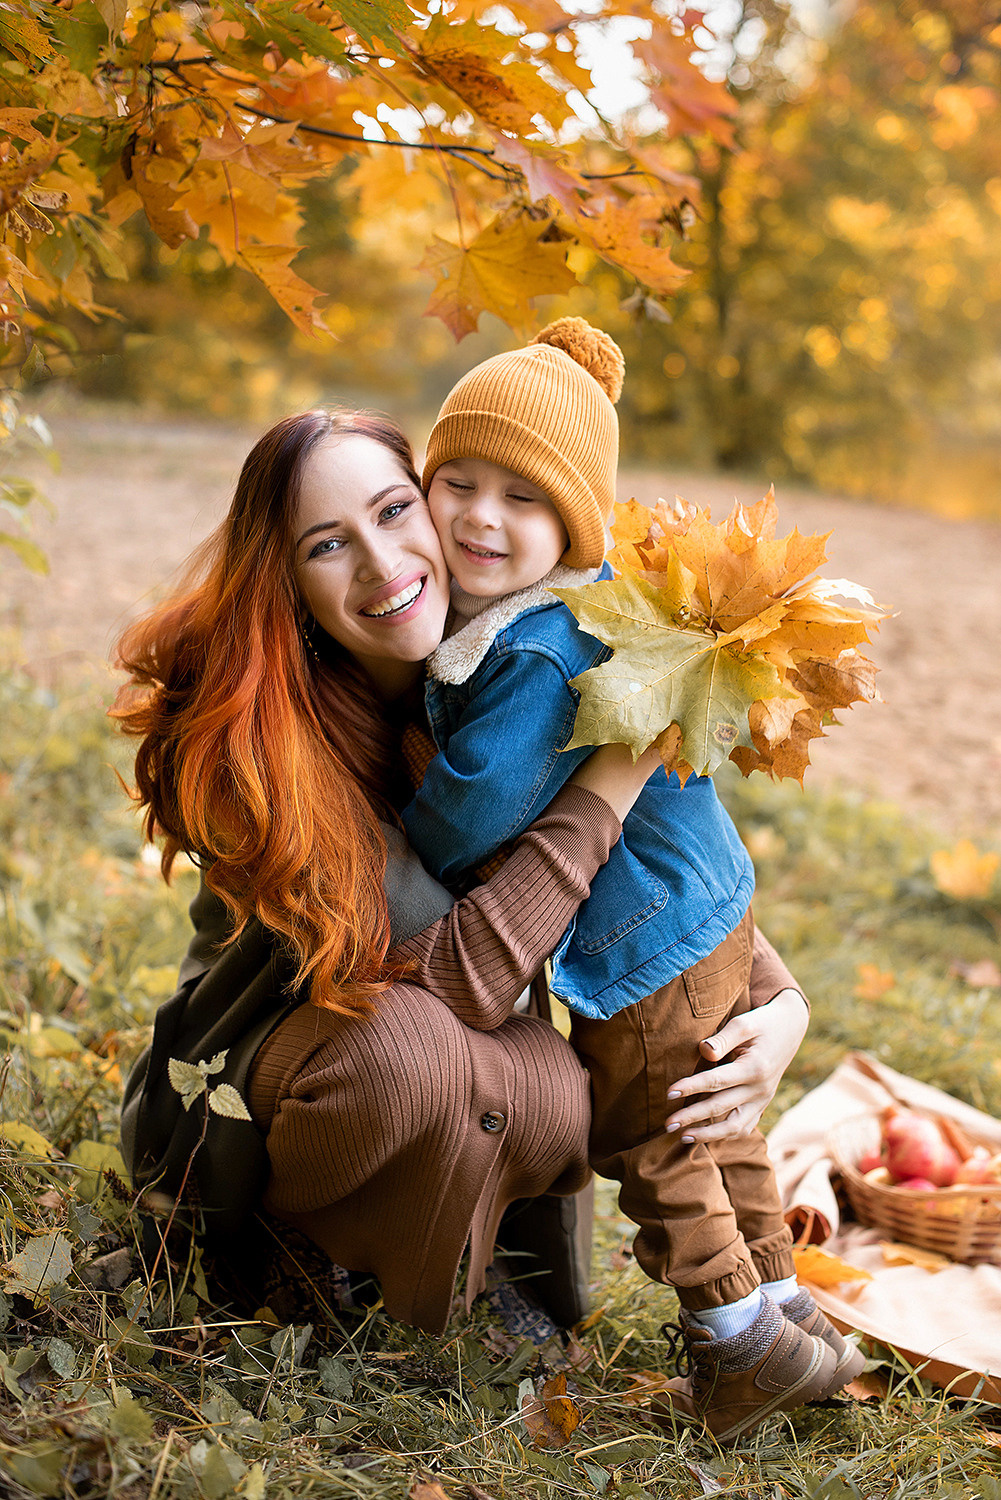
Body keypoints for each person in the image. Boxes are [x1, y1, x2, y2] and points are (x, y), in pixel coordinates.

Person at [113, 406, 814, 1397]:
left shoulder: (497, 673)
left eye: (394, 510)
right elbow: (455, 976)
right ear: (288, 578)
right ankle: (285, 1235)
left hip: (423, 1019)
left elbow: (654, 861)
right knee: (417, 1056)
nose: (379, 560)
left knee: (560, 1094)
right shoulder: (260, 741)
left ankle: (439, 1270)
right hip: (265, 1066)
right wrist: (604, 785)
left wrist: (777, 998)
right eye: (327, 544)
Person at [406, 319, 864, 1441]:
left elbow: (475, 806)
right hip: (705, 904)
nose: (477, 516)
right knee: (721, 1127)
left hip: (642, 930)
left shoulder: (533, 648)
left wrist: (401, 813)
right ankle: (785, 1308)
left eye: (522, 500)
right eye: (455, 482)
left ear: (573, 523)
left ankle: (735, 1343)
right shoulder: (582, 607)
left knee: (656, 1130)